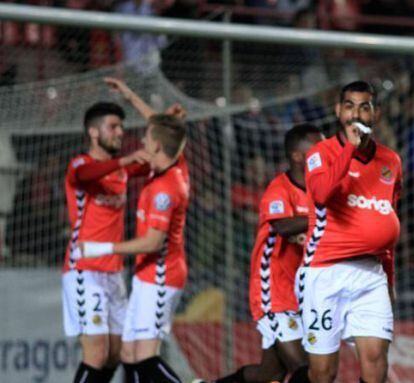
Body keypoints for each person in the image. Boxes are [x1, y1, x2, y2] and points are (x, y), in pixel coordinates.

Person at [292, 81, 401, 383]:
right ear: (338, 111)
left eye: (364, 106)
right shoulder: (321, 153)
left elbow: (387, 222)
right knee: (324, 372)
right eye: (349, 106)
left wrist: (390, 280)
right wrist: (350, 150)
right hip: (326, 272)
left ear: (375, 113)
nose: (356, 113)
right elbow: (321, 194)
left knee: (376, 362)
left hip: (370, 273)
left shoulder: (391, 161)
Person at [201, 124, 323, 383]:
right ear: (297, 156)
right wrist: (319, 217)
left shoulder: (319, 192)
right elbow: (282, 226)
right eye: (317, 148)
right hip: (272, 289)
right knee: (307, 370)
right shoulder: (279, 189)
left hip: (303, 292)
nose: (323, 153)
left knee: (269, 375)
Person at [76, 114, 190, 383]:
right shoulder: (172, 167)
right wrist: (131, 96)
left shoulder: (166, 188)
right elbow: (170, 132)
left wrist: (100, 248)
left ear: (157, 147)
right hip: (145, 274)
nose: (141, 141)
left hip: (161, 276)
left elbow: (152, 242)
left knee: (145, 356)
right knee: (128, 353)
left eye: (146, 138)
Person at [62, 102, 151, 383]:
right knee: (97, 353)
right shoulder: (81, 165)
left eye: (121, 127)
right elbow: (85, 176)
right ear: (93, 131)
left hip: (113, 272)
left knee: (118, 353)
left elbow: (157, 161)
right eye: (113, 126)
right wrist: (127, 160)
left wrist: (164, 125)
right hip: (83, 269)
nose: (120, 132)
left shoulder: (120, 171)